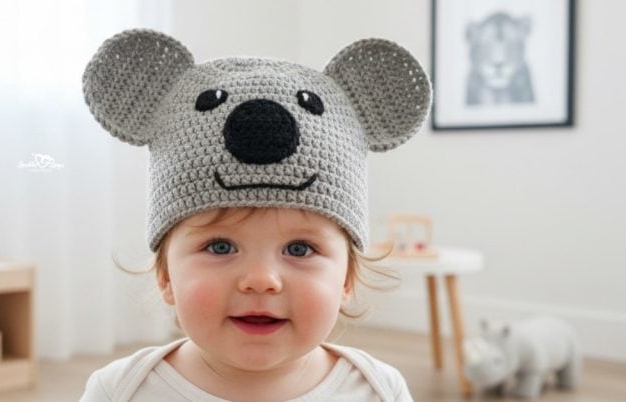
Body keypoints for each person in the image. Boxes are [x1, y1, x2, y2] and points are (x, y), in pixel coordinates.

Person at [79, 28, 431, 402]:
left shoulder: (379, 390)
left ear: (346, 279)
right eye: (219, 246)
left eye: (299, 249)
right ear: (166, 275)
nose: (261, 281)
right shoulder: (120, 391)